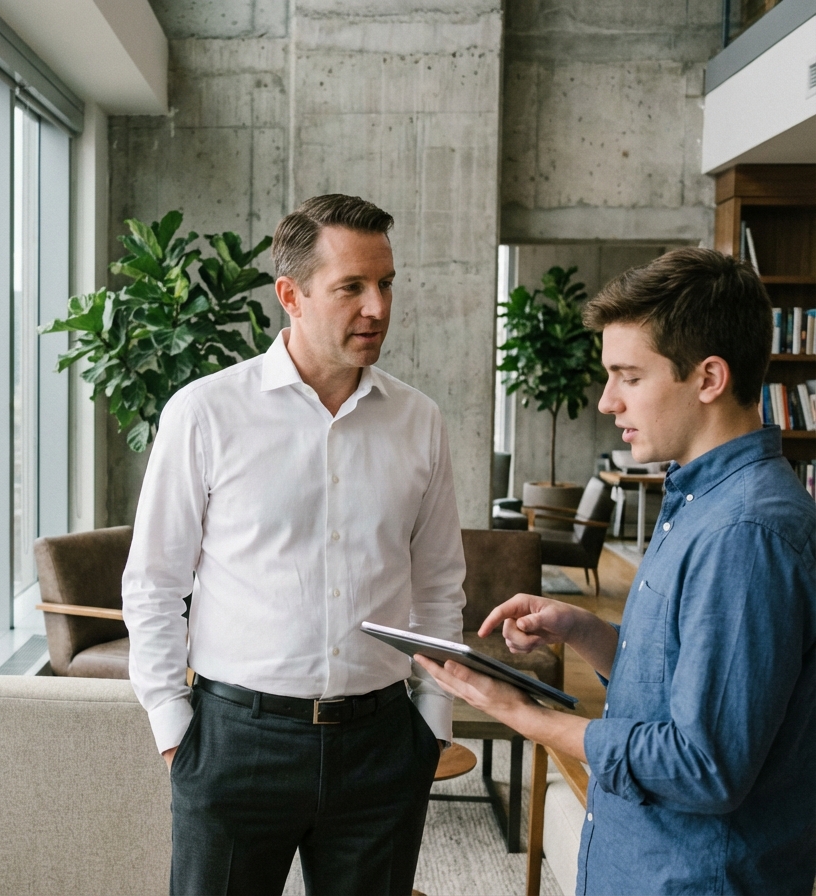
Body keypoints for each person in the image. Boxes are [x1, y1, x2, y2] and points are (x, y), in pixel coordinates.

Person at [417, 247, 816, 895]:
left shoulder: (746, 531)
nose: (606, 402)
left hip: (691, 877)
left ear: (709, 378)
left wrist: (525, 717)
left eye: (628, 376)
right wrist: (587, 631)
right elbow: (683, 685)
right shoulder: (695, 498)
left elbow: (705, 765)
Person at [122, 194, 467, 896]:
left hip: (381, 744)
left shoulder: (419, 421)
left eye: (387, 283)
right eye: (351, 288)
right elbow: (155, 581)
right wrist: (172, 731)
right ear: (292, 295)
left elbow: (439, 583)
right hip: (235, 742)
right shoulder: (206, 412)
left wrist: (431, 721)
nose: (377, 307)